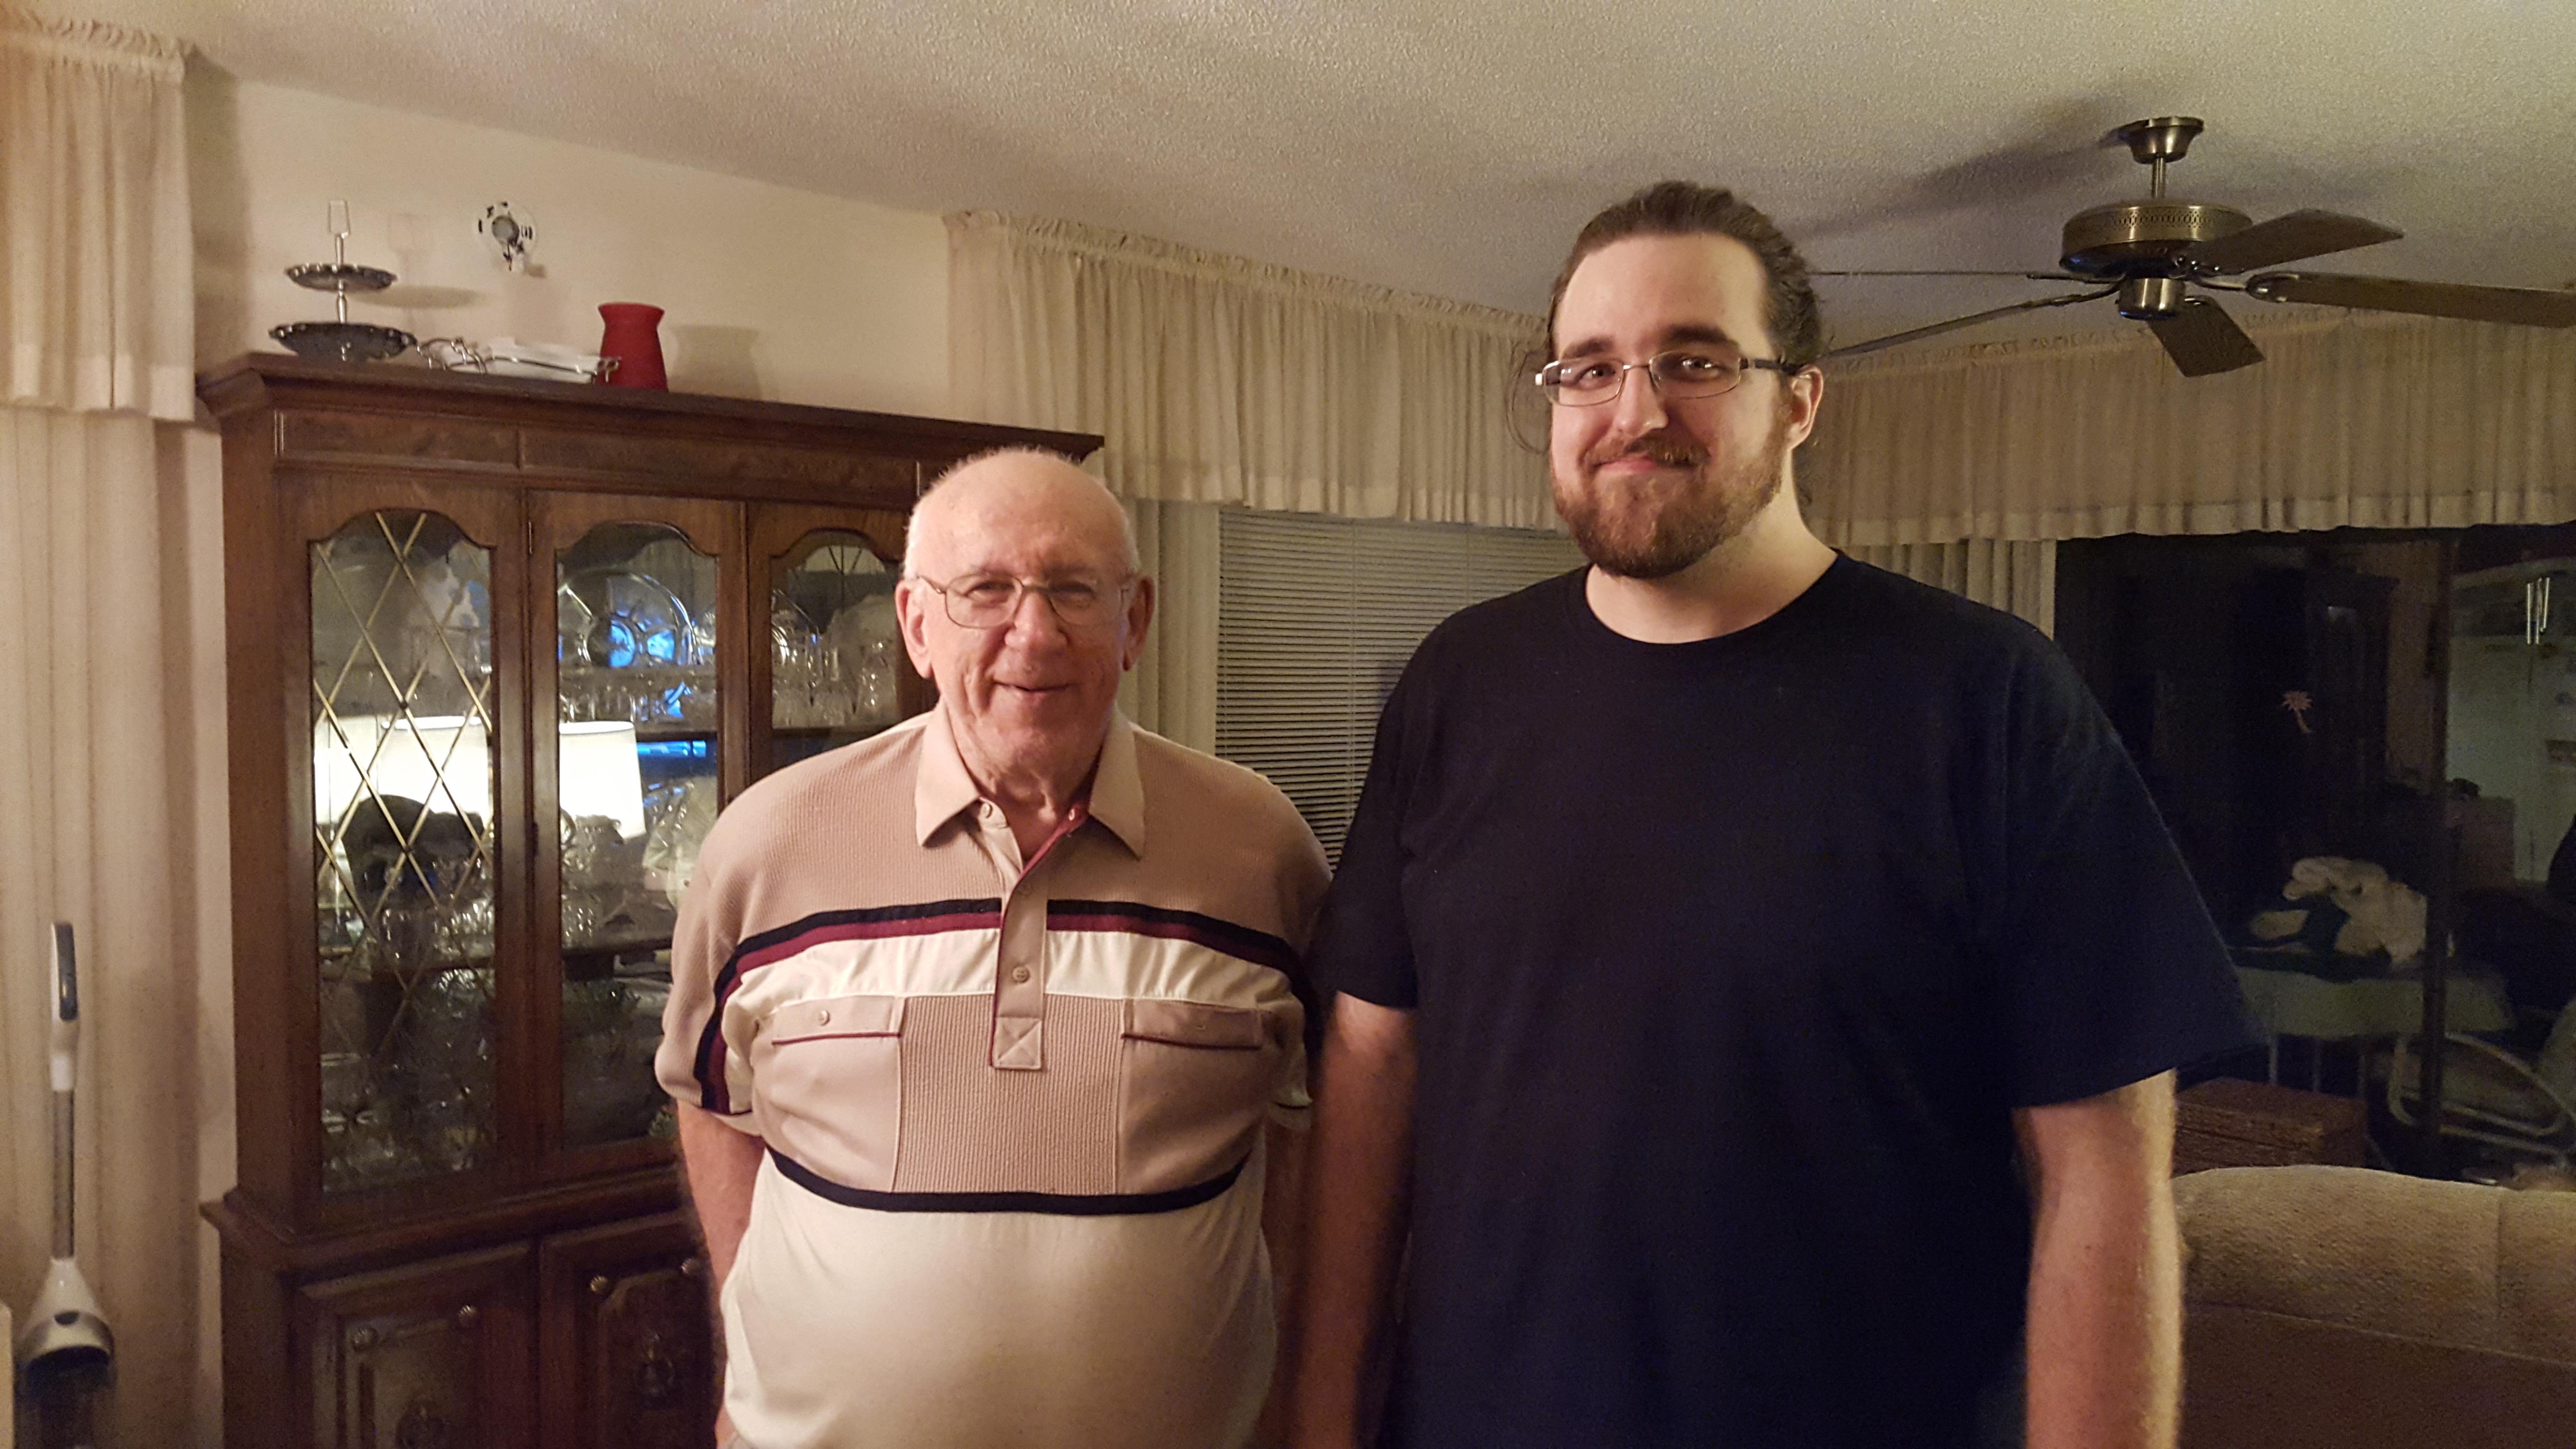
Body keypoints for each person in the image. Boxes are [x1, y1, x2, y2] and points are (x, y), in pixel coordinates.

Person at [1288, 183, 2258, 1449]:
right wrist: (1322, 1419)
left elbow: (2106, 1167)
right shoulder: (1457, 684)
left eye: (1694, 360)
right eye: (1589, 368)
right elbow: (1373, 1064)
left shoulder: (1987, 697)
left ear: (1800, 401)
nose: (1634, 410)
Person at [658, 448, 1329, 1449]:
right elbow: (713, 1103)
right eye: (985, 590)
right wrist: (750, 1336)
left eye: (1074, 590)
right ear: (916, 626)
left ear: (1136, 620)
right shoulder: (768, 844)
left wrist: (1288, 1370)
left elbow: (1305, 1118)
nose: (1034, 632)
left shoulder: (1260, 850)